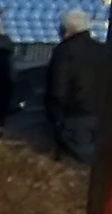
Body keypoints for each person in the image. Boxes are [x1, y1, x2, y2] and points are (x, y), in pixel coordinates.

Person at [40, 9, 100, 162]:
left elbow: (58, 88)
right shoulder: (102, 50)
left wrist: (56, 117)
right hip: (101, 118)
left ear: (67, 29)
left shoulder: (64, 51)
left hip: (74, 118)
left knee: (75, 165)